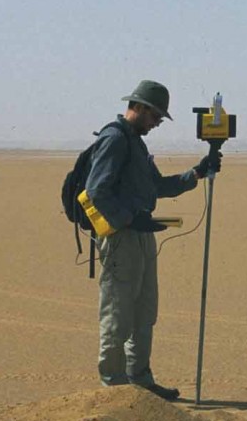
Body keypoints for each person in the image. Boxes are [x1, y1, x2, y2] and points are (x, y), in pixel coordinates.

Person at [85, 80, 221, 400]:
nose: (158, 123)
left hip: (142, 237)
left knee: (144, 314)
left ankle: (140, 381)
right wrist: (130, 218)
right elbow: (96, 191)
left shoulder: (136, 142)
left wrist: (197, 174)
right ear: (141, 108)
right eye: (156, 116)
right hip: (121, 238)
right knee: (118, 315)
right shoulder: (115, 139)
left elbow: (155, 187)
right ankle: (114, 390)